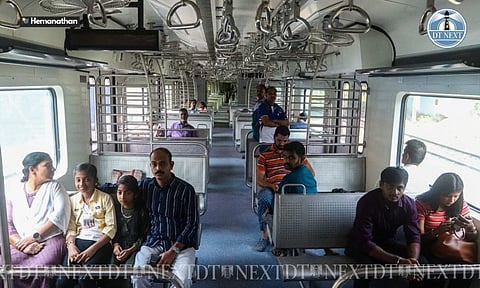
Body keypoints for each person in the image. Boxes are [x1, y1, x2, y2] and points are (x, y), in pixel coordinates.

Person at [132, 147, 199, 288]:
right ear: (150, 166)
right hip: (154, 242)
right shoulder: (145, 186)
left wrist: (173, 250)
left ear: (171, 165)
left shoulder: (186, 190)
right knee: (138, 276)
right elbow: (121, 188)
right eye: (154, 164)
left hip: (181, 245)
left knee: (181, 282)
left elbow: (192, 224)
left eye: (162, 164)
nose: (158, 168)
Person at [346, 166, 423, 288]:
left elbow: (414, 236)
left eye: (399, 188)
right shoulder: (367, 202)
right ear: (381, 184)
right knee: (366, 270)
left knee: (422, 264)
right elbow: (365, 241)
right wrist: (398, 261)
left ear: (405, 187)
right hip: (360, 245)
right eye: (390, 187)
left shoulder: (409, 204)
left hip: (387, 242)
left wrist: (412, 261)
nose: (395, 192)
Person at [4, 152, 70, 288]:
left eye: (52, 165)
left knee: (41, 269)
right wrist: (22, 244)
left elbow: (59, 215)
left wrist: (34, 237)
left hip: (50, 238)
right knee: (5, 266)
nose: (53, 169)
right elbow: (7, 223)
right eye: (48, 166)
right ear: (32, 170)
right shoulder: (14, 190)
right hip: (21, 241)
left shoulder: (55, 187)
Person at [255, 126, 315, 252]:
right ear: (274, 138)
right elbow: (260, 180)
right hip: (272, 186)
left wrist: (298, 178)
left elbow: (311, 173)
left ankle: (291, 237)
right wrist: (271, 185)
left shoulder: (294, 154)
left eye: (285, 141)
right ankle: (264, 235)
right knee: (265, 199)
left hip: (291, 185)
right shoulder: (264, 156)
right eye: (279, 141)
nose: (282, 144)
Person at [57, 163, 117, 288]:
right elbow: (71, 227)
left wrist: (92, 250)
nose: (82, 184)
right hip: (78, 242)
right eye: (78, 180)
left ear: (95, 181)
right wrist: (71, 247)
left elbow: (111, 228)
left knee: (85, 279)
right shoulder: (72, 200)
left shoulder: (105, 199)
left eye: (87, 180)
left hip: (100, 243)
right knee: (63, 280)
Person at [416, 172, 477, 288]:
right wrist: (437, 231)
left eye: (456, 196)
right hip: (431, 247)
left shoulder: (461, 205)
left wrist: (470, 227)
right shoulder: (423, 204)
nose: (452, 200)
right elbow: (419, 237)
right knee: (438, 273)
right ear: (438, 192)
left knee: (467, 271)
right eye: (447, 195)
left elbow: (472, 237)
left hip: (454, 247)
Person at [106, 175, 150, 288]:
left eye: (127, 193)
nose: (122, 196)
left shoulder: (141, 211)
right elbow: (111, 229)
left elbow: (144, 236)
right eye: (119, 192)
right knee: (111, 270)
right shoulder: (114, 208)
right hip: (118, 246)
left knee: (128, 271)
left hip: (135, 248)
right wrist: (115, 245)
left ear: (134, 194)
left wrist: (130, 250)